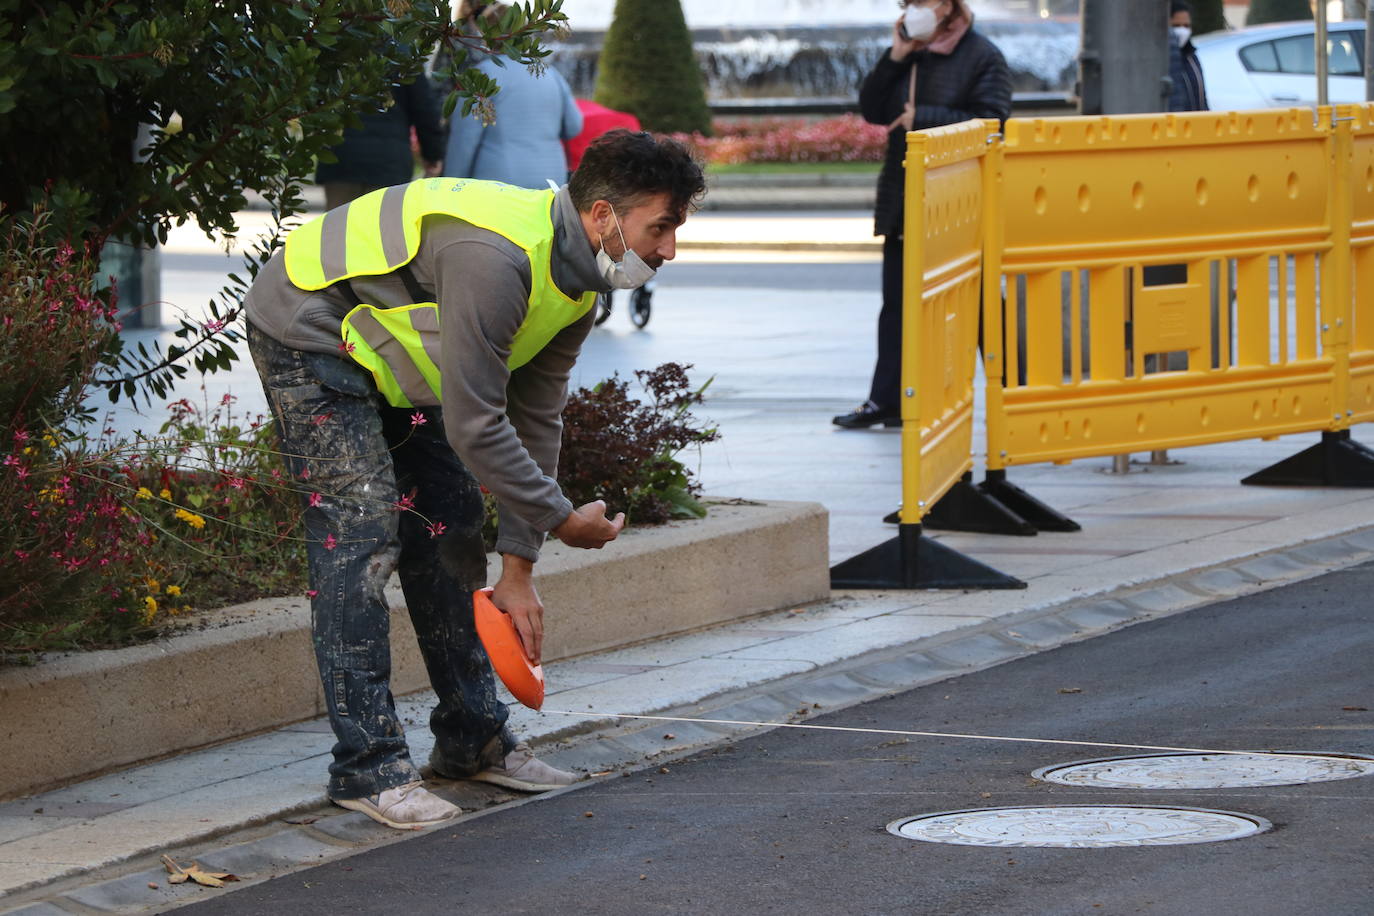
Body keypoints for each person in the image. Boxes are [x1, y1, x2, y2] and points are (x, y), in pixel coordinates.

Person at [244, 129, 705, 830]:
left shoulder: (576, 284)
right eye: (662, 226)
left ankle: (472, 740)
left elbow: (537, 419)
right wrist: (560, 519)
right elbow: (477, 425)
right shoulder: (495, 258)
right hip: (310, 328)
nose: (670, 249)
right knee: (362, 532)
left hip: (386, 345)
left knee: (451, 526)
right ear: (605, 217)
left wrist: (519, 567)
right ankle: (367, 767)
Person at [833, 0, 1011, 429]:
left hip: (961, 201)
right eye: (908, 2)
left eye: (923, 1)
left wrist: (923, 118)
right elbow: (873, 109)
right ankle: (886, 401)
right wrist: (895, 56)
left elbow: (992, 122)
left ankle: (1016, 394)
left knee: (982, 304)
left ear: (949, 5)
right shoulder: (907, 52)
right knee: (896, 303)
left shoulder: (982, 55)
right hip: (906, 195)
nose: (915, 9)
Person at [443, 1, 584, 188]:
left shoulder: (480, 74)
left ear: (487, 33)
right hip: (550, 179)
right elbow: (574, 126)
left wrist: (450, 184)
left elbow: (464, 140)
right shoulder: (550, 74)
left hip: (498, 182)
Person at [316, 71, 446, 210]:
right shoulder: (407, 56)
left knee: (338, 226)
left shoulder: (337, 53)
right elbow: (425, 110)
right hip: (390, 162)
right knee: (383, 226)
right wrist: (432, 155)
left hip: (342, 158)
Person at [1167, 0, 1209, 113]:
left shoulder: (1192, 57)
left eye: (1186, 26)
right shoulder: (1163, 59)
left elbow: (1201, 96)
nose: (1182, 30)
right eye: (1176, 25)